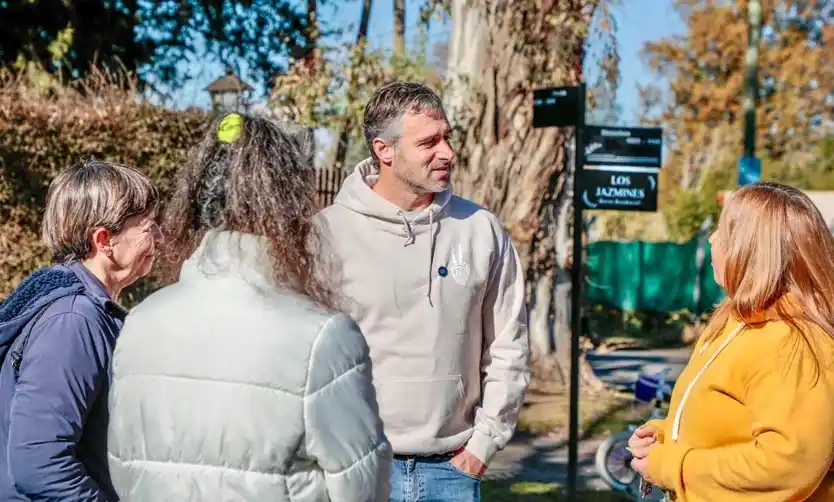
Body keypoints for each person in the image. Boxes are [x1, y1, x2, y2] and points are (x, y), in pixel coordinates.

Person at [106, 113, 392, 502]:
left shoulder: (138, 323)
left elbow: (124, 468)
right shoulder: (322, 337)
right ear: (288, 208)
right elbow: (362, 487)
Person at [314, 81, 531, 502]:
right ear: (385, 150)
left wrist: (483, 445)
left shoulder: (481, 229)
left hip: (453, 472)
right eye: (429, 142)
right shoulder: (327, 233)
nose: (447, 152)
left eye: (447, 137)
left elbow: (509, 344)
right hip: (356, 472)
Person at [629, 182, 834, 501]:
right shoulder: (734, 320)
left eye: (724, 233)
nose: (712, 240)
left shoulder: (792, 341)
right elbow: (726, 421)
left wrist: (673, 466)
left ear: (752, 252)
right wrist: (665, 435)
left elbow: (787, 463)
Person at [0, 159, 161, 501]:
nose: (160, 237)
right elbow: (40, 463)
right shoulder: (73, 321)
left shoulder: (82, 310)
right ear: (104, 239)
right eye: (149, 226)